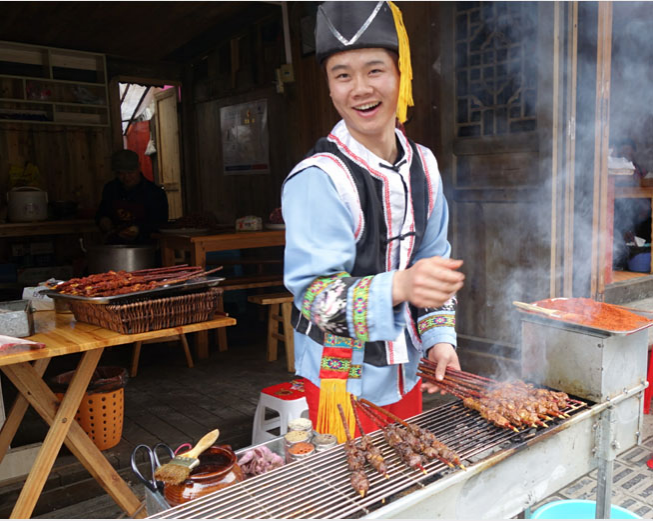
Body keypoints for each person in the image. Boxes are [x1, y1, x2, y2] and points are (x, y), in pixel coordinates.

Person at [281, 1, 465, 441]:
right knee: (351, 496)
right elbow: (316, 297)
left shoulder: (424, 165)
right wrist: (401, 286)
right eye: (342, 74)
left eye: (375, 70)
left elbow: (432, 260)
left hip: (408, 367)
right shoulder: (319, 179)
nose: (360, 88)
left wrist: (440, 339)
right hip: (341, 378)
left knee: (407, 484)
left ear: (401, 76)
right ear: (329, 88)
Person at [96, 149, 169, 244]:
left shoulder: (155, 193)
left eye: (130, 172)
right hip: (116, 246)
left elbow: (160, 222)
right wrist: (103, 220)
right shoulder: (110, 189)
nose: (126, 177)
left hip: (146, 247)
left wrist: (138, 229)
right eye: (121, 173)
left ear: (139, 167)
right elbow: (101, 213)